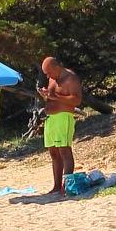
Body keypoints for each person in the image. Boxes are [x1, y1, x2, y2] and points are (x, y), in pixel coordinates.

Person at [38, 55, 85, 196]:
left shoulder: (71, 78)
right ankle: (56, 186)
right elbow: (51, 96)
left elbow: (77, 100)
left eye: (48, 72)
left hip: (63, 118)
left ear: (56, 67)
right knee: (53, 152)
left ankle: (67, 185)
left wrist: (56, 97)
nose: (48, 76)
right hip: (50, 118)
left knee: (64, 151)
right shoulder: (53, 78)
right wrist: (45, 95)